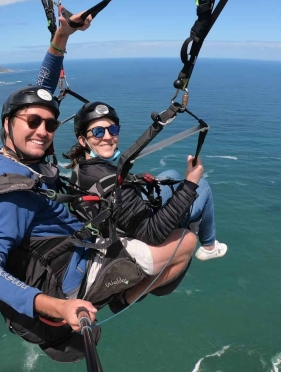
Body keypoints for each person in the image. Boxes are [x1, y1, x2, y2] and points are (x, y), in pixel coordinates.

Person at [0, 9, 145, 363]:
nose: (43, 131)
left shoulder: (20, 156)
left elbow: (41, 94)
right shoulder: (11, 193)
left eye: (48, 125)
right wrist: (60, 307)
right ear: (8, 126)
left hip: (67, 255)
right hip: (66, 278)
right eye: (33, 122)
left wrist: (62, 37)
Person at [65, 101, 228, 308]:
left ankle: (202, 232)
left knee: (170, 175)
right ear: (83, 139)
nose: (107, 137)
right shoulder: (108, 183)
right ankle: (208, 245)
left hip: (116, 220)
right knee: (202, 186)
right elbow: (152, 233)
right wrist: (190, 184)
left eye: (112, 129)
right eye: (98, 132)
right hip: (130, 235)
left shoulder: (82, 170)